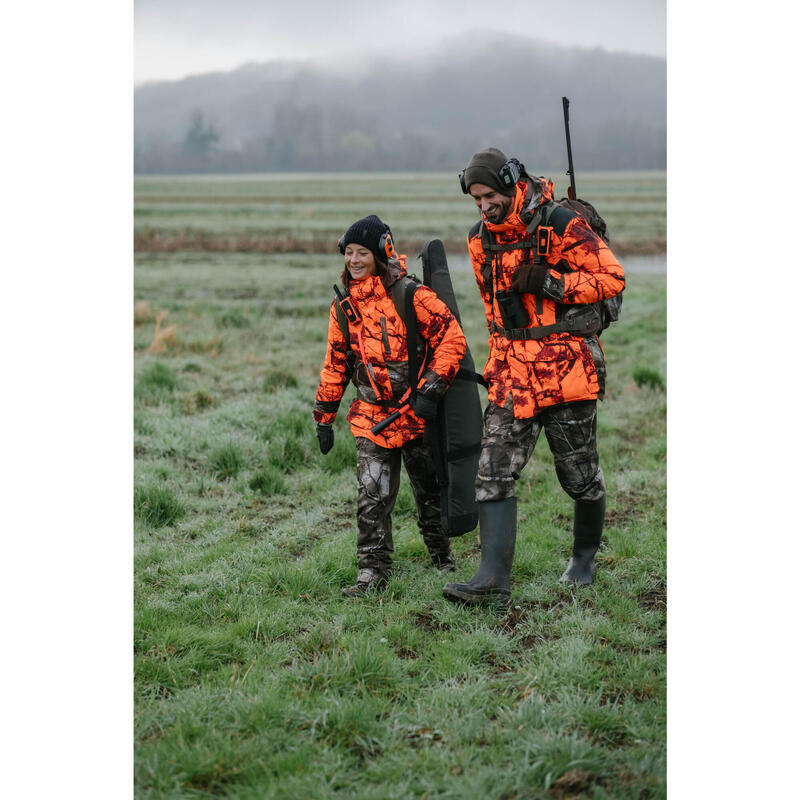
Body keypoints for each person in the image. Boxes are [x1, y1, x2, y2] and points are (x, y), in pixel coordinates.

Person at [442, 148, 625, 605]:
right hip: (511, 373)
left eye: (489, 196)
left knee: (579, 476)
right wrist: (499, 356)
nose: (483, 207)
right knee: (492, 472)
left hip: (566, 369)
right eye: (475, 199)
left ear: (509, 184)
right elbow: (492, 309)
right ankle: (491, 581)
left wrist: (552, 284)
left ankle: (583, 562)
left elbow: (612, 277)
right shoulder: (478, 239)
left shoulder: (560, 224)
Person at [313, 215, 467, 597]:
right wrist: (324, 417)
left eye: (361, 252)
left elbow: (453, 340)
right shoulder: (343, 307)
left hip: (416, 414)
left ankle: (441, 557)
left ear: (381, 253)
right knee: (372, 496)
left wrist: (429, 392)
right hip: (372, 419)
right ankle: (372, 573)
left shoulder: (411, 295)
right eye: (348, 252)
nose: (353, 259)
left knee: (430, 493)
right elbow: (335, 363)